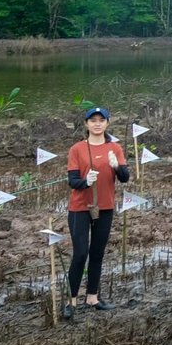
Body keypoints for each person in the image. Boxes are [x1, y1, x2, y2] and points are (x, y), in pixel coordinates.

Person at [62, 107, 130, 318]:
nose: (97, 123)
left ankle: (92, 297)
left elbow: (125, 177)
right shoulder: (77, 149)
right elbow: (71, 180)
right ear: (86, 124)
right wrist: (85, 182)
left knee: (97, 253)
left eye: (102, 120)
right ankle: (71, 300)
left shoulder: (115, 148)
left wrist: (116, 166)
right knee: (81, 253)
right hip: (80, 208)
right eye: (93, 120)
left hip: (105, 207)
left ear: (107, 123)